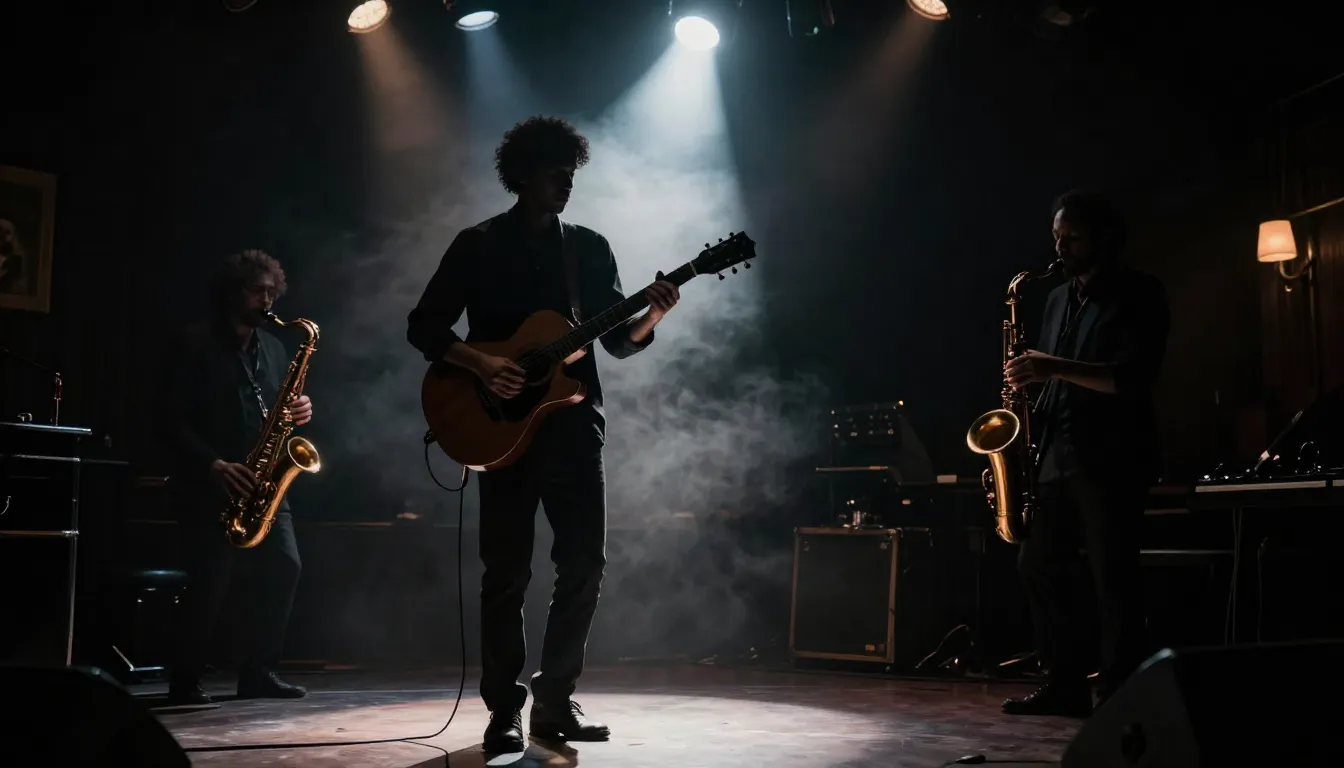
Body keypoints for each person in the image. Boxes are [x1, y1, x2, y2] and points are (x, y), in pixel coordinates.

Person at [407, 116, 680, 752]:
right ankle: (503, 710)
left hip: (574, 430)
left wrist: (653, 315)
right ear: (524, 175)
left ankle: (555, 701)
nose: (568, 185)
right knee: (505, 573)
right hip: (498, 432)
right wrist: (483, 364)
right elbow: (424, 326)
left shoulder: (588, 248)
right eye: (558, 174)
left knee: (584, 565)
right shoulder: (477, 244)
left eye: (572, 175)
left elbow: (618, 343)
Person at [1001, 189, 1170, 717]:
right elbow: (1057, 378)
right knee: (1037, 564)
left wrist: (1051, 367)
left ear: (1105, 237)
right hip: (1057, 456)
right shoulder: (1056, 299)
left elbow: (1131, 378)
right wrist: (1029, 393)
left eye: (1072, 237)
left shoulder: (1140, 293)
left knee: (1113, 580)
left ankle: (1119, 694)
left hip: (1112, 458)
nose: (1060, 247)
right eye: (1057, 236)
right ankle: (1064, 684)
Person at [163, 249, 313, 706]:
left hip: (264, 483)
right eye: (256, 291)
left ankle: (260, 672)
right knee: (210, 583)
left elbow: (277, 410)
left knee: (286, 566)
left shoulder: (275, 348)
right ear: (232, 292)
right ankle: (185, 680)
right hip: (212, 483)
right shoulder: (194, 344)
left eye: (272, 292)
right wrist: (213, 465)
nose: (266, 301)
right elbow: (168, 421)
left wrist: (300, 411)